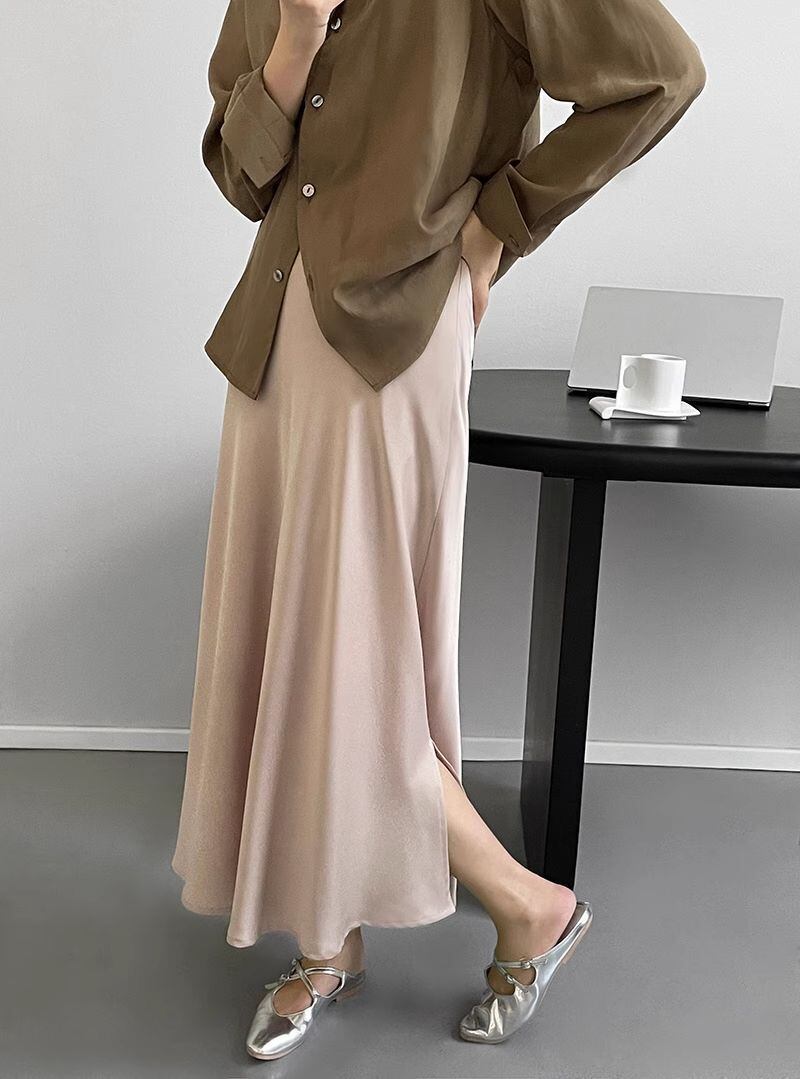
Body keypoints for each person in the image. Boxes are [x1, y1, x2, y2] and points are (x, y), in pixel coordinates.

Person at [172, 0, 706, 1060]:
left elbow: (661, 76)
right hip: (275, 334)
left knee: (355, 666)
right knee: (295, 651)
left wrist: (498, 221)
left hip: (397, 331)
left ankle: (525, 903)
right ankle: (328, 935)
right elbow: (244, 175)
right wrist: (295, 38)